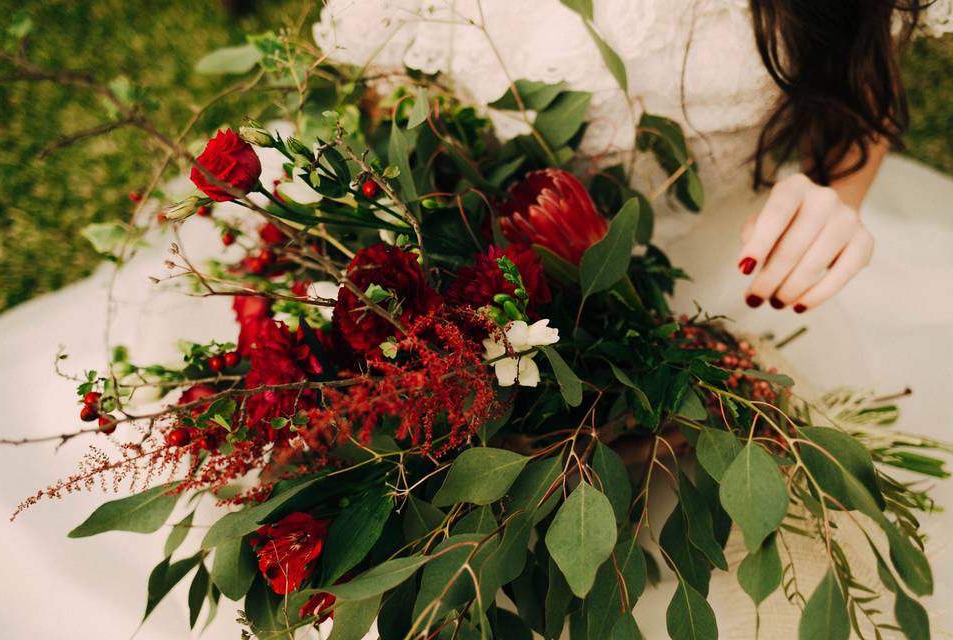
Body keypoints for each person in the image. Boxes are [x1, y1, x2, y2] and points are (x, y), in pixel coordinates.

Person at [311, 0, 953, 637]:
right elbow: (387, 103)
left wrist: (834, 198)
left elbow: (859, 66)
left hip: (730, 296)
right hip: (499, 314)